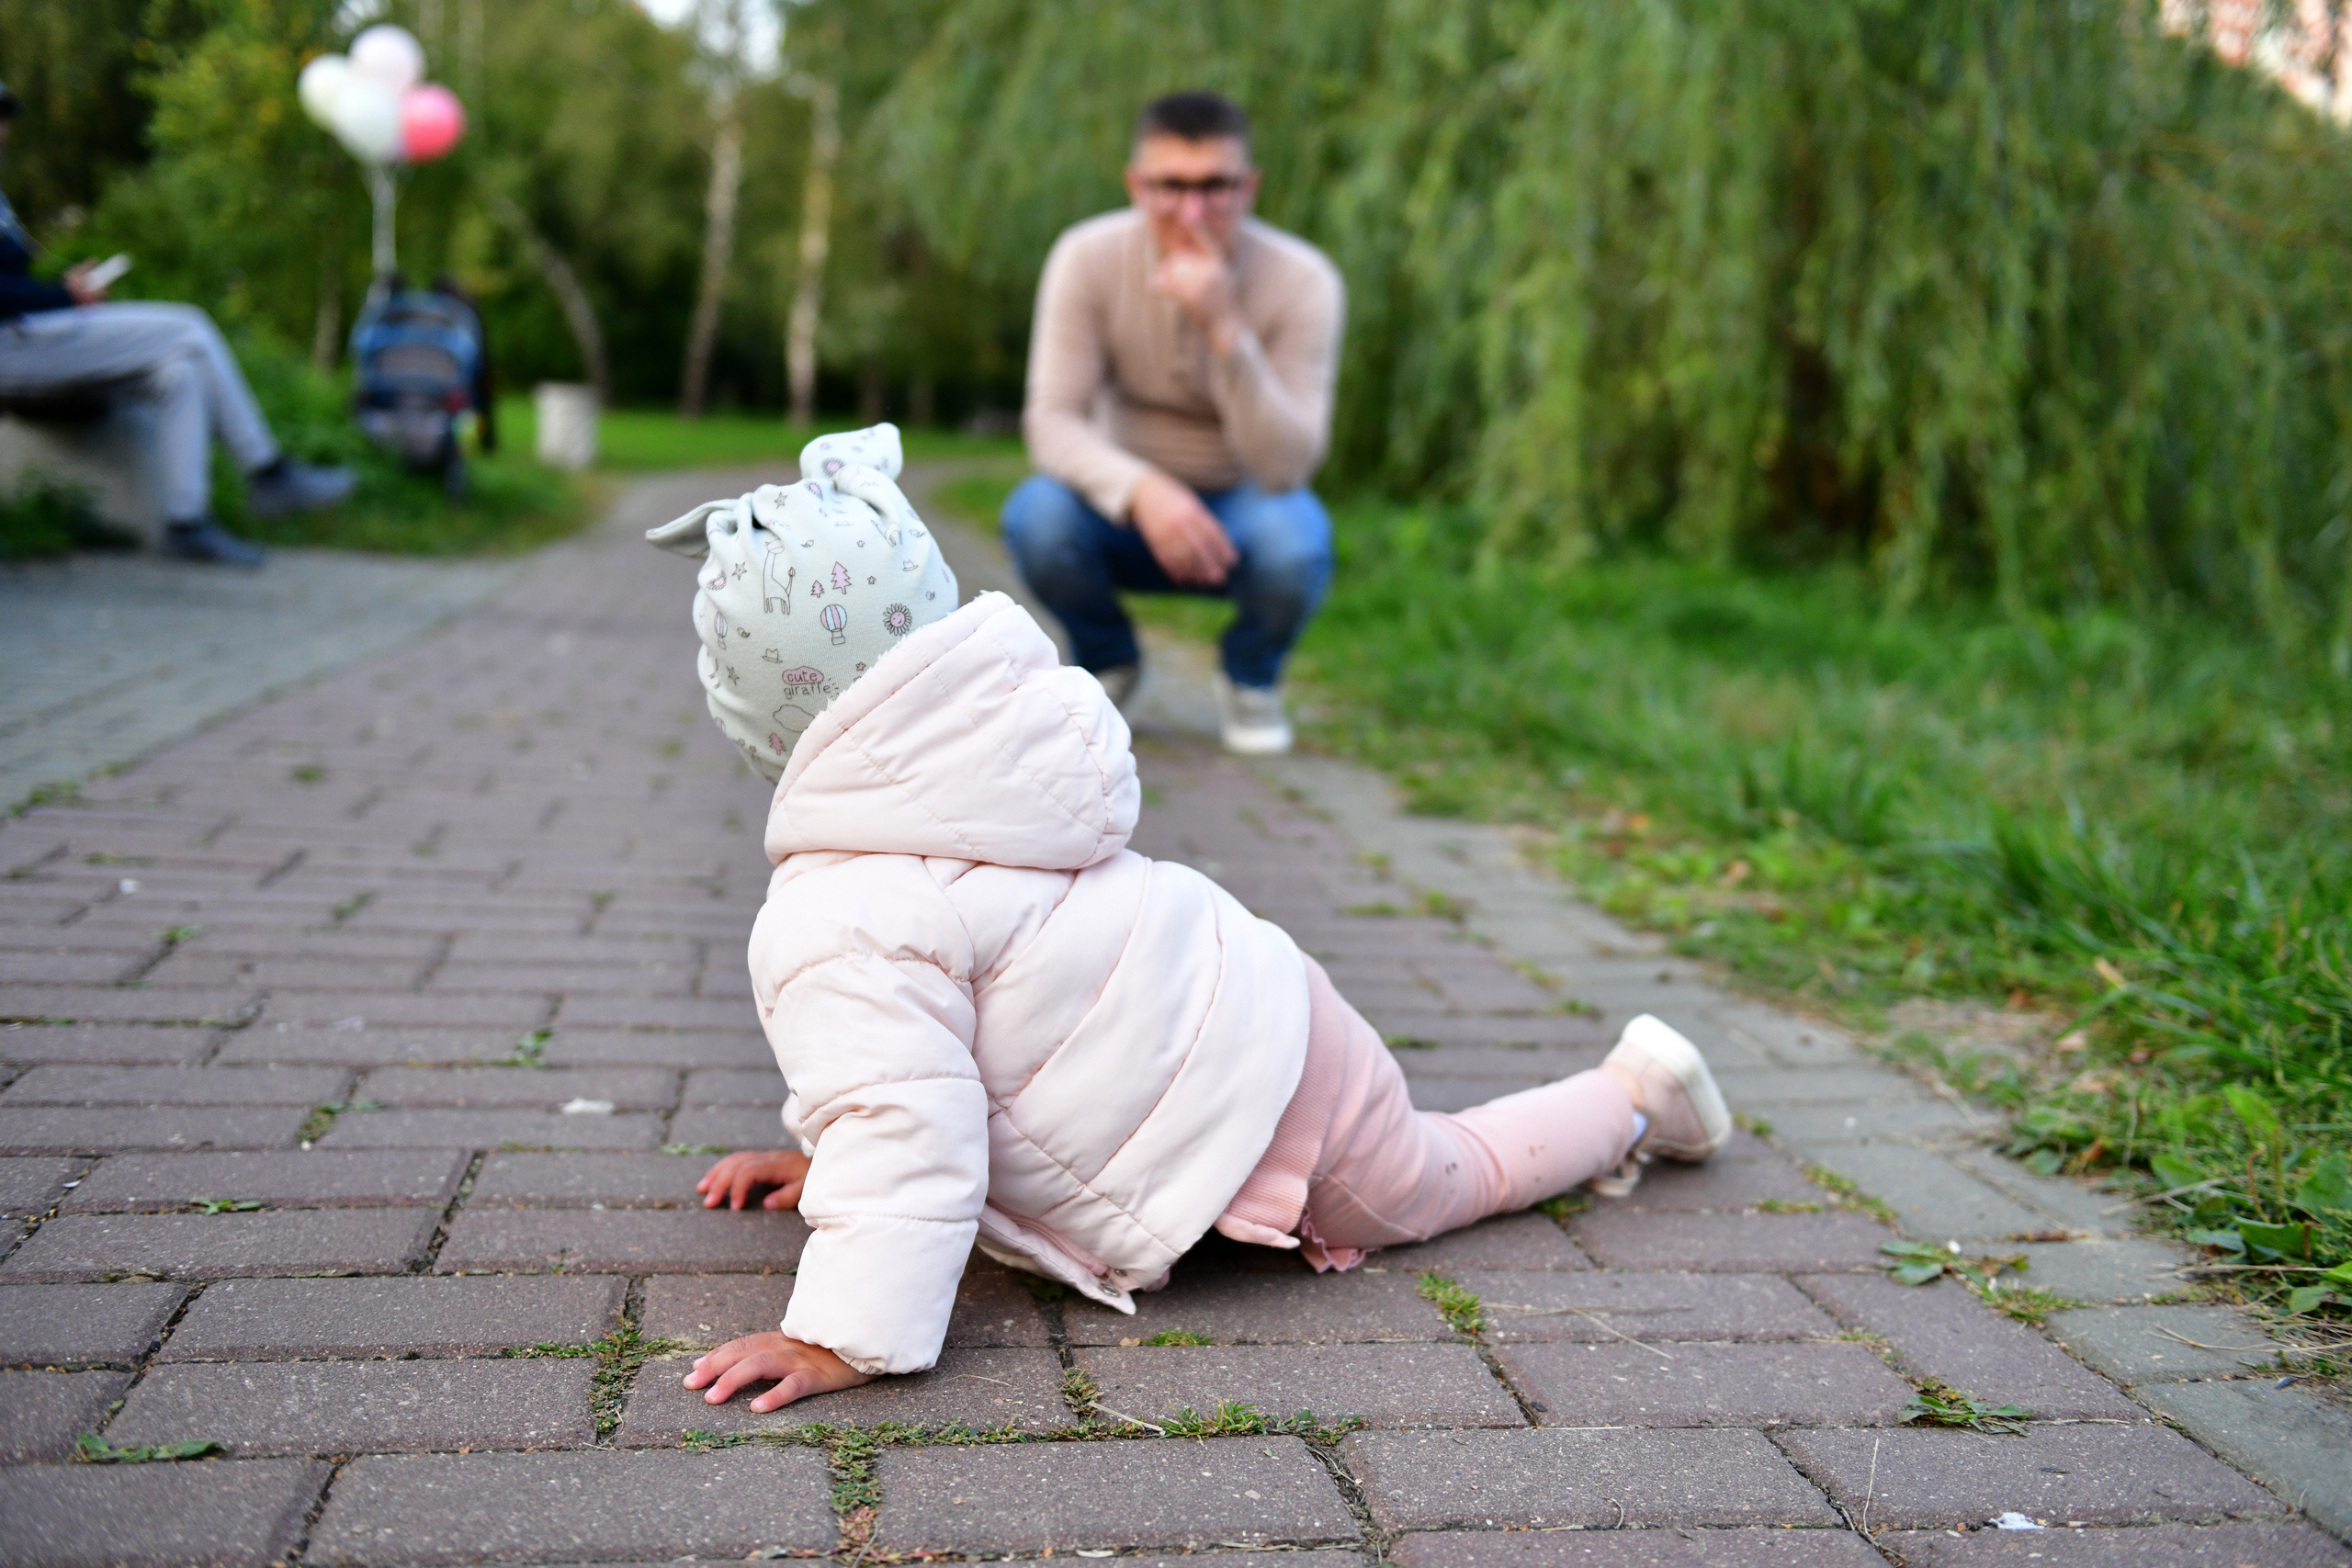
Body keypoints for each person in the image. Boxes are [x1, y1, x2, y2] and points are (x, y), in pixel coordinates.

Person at [643, 424, 1732, 1413]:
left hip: (1269, 1086)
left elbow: (903, 1119)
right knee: (1438, 1160)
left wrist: (841, 1335)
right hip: (1247, 1016)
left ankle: (1635, 1096)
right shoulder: (1000, 758)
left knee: (1453, 1175)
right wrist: (827, 1158)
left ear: (763, 726)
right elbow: (901, 1074)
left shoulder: (833, 911)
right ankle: (1623, 1098)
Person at [1001, 90, 1345, 756]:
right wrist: (1145, 492)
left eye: (1215, 185)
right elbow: (1052, 421)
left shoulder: (1305, 280)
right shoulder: (1086, 257)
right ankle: (1109, 658)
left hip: (1243, 508)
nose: (1193, 210)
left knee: (1300, 541)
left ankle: (1251, 675)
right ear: (1136, 185)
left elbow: (1287, 465)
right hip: (1120, 509)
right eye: (1170, 186)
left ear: (1249, 187)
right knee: (1035, 516)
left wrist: (1226, 330)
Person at [0, 81, 355, 566]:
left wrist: (63, 289)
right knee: (188, 327)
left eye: (5, 118)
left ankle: (187, 524)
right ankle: (266, 471)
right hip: (11, 348)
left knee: (180, 375)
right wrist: (63, 296)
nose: (4, 130)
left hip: (27, 338)